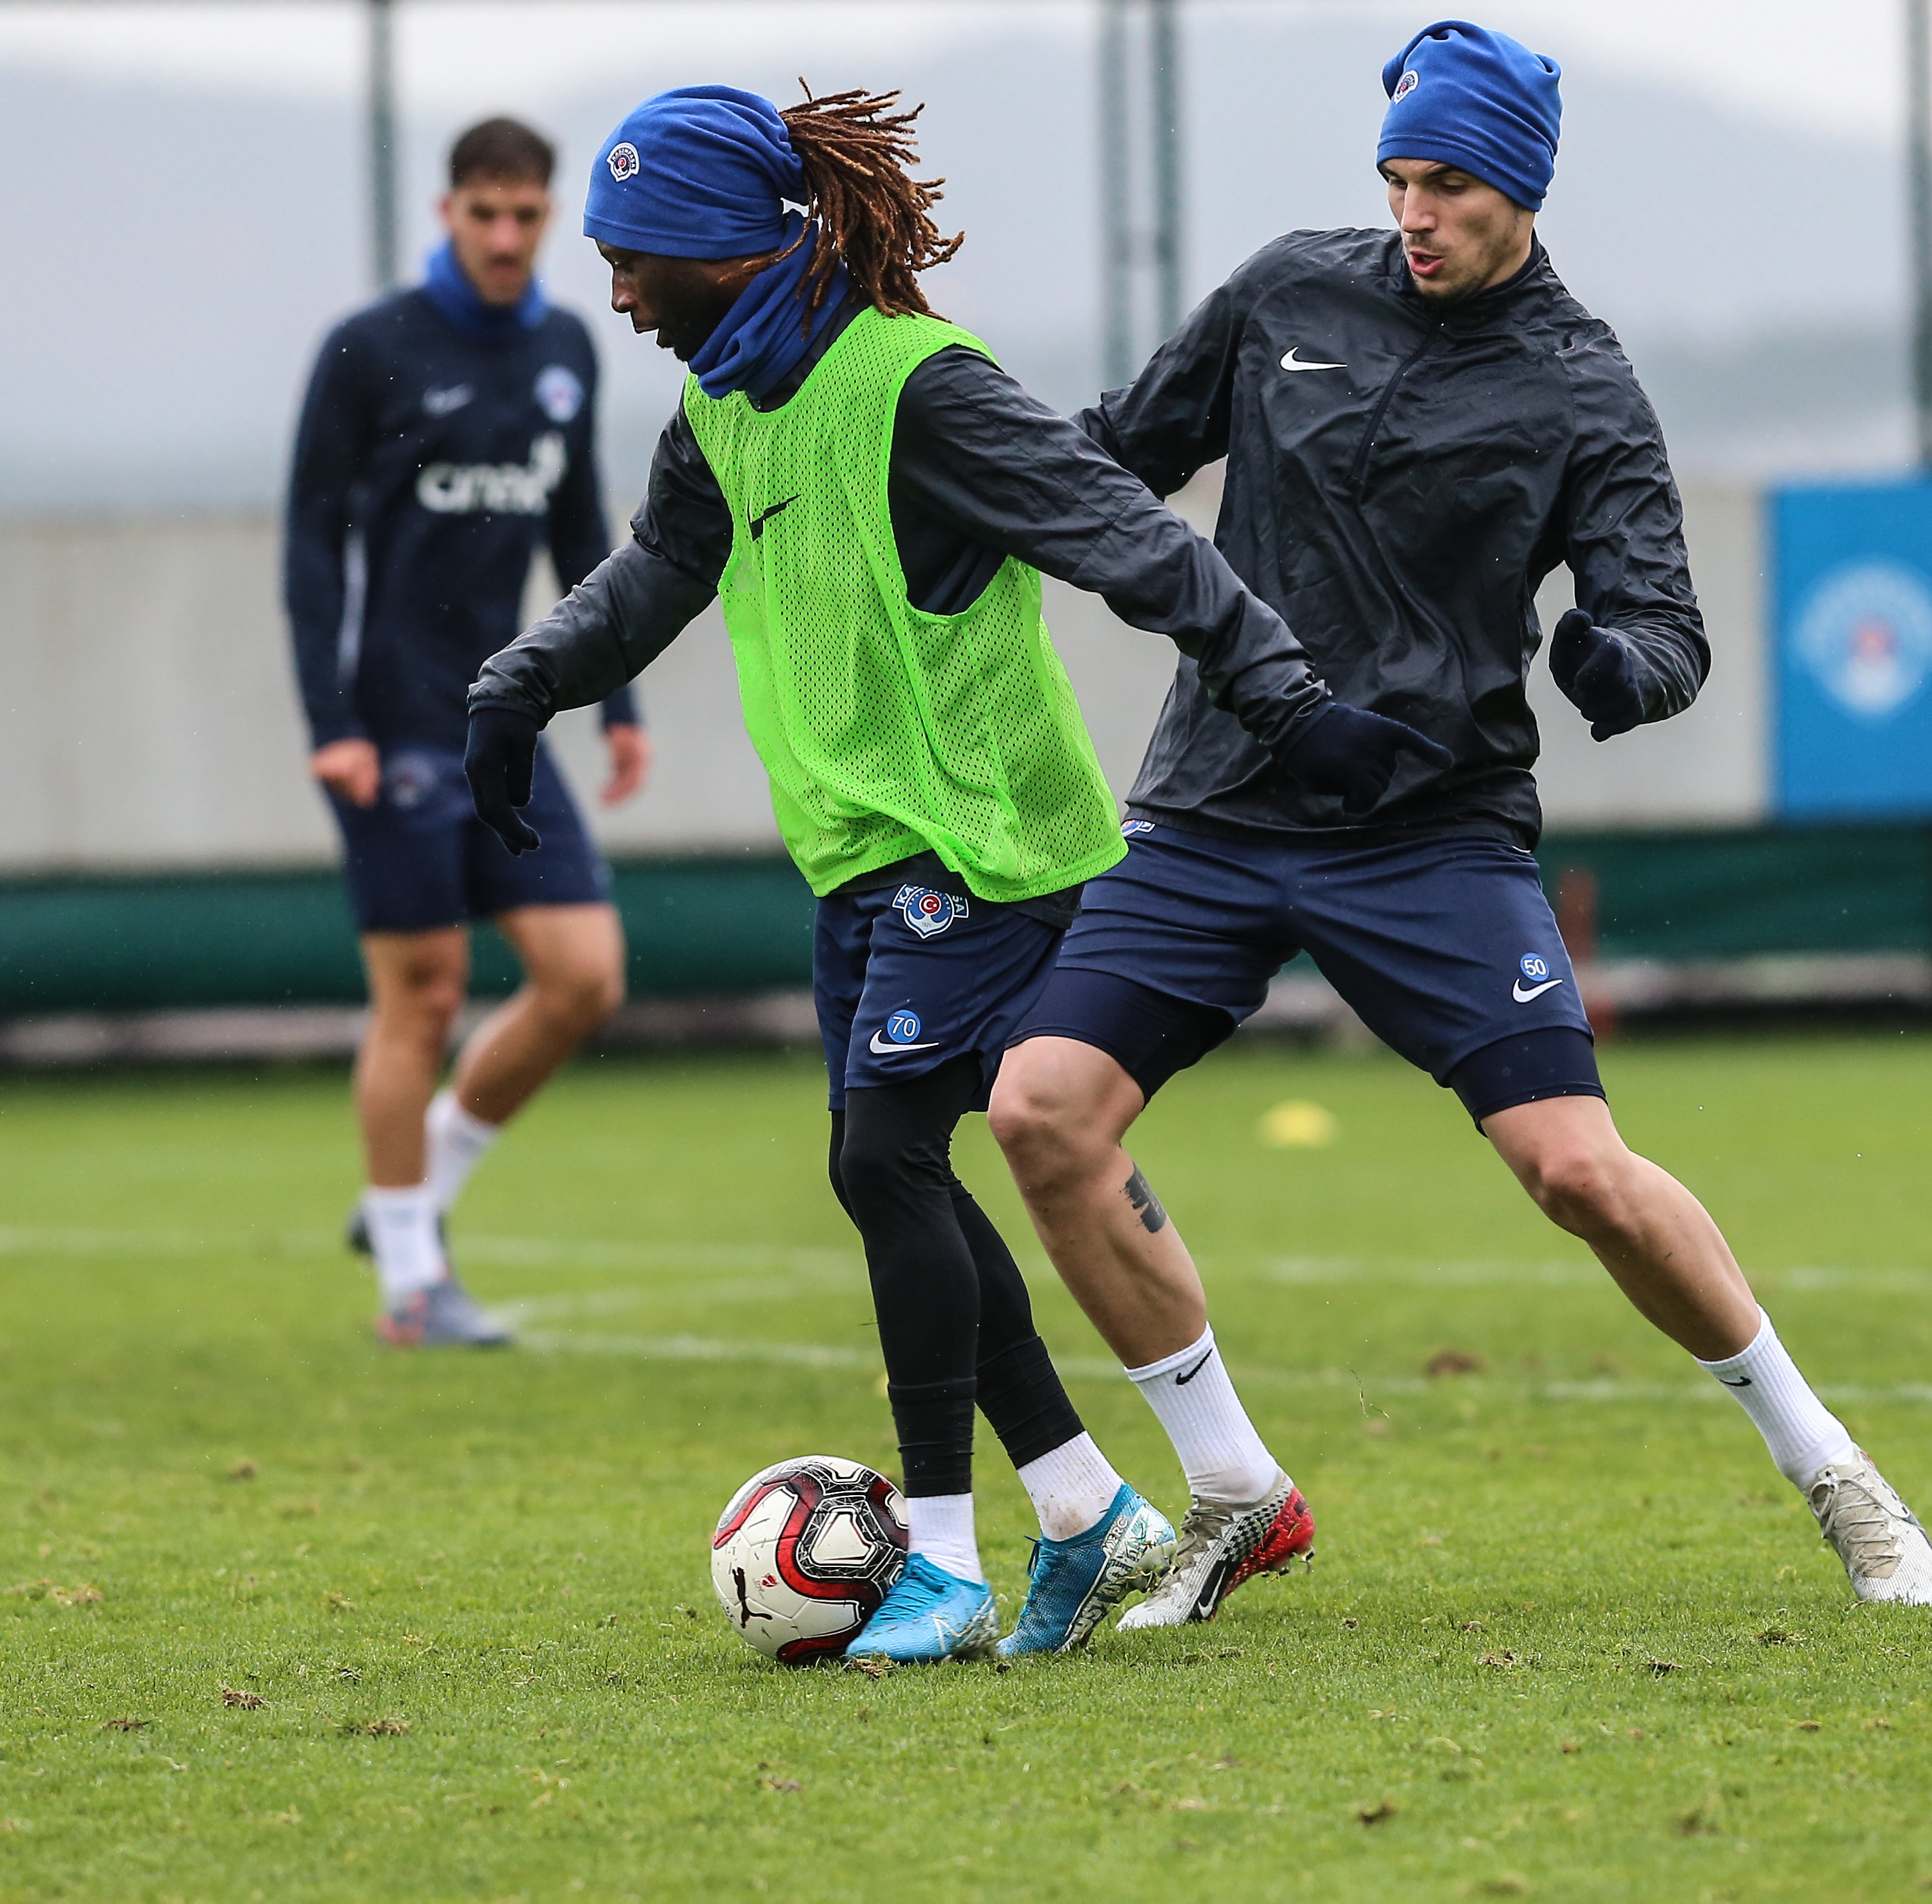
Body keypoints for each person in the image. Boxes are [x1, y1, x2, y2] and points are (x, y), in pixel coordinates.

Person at [464, 83, 1437, 1661]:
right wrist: (525, 682)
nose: (621, 296)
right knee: (888, 1170)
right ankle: (1085, 1510)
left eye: (637, 261)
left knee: (885, 1160)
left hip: (983, 844)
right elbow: (659, 570)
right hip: (863, 855)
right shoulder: (722, 406)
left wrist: (1290, 704)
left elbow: (1132, 537)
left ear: (725, 247)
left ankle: (944, 1561)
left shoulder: (920, 389)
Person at [988, 20, 1932, 1625]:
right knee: (1039, 1112)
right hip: (1215, 811)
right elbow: (1111, 457)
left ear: (1521, 189)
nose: (1413, 212)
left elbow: (1668, 631)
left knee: (1575, 1172)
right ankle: (1236, 1489)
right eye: (1398, 178)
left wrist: (1617, 666)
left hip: (1428, 837)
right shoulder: (1288, 293)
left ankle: (1832, 1465)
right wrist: (950, 479)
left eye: (1447, 184)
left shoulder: (1583, 385)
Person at [285, 116, 651, 1349]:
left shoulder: (565, 348)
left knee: (585, 976)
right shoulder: (371, 347)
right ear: (448, 213)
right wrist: (330, 720)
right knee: (425, 994)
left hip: (506, 716)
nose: (504, 237)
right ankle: (411, 1285)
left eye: (525, 216)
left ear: (549, 218)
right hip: (390, 725)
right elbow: (311, 539)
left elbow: (581, 527)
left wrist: (620, 699)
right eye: (483, 214)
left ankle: (411, 1193)